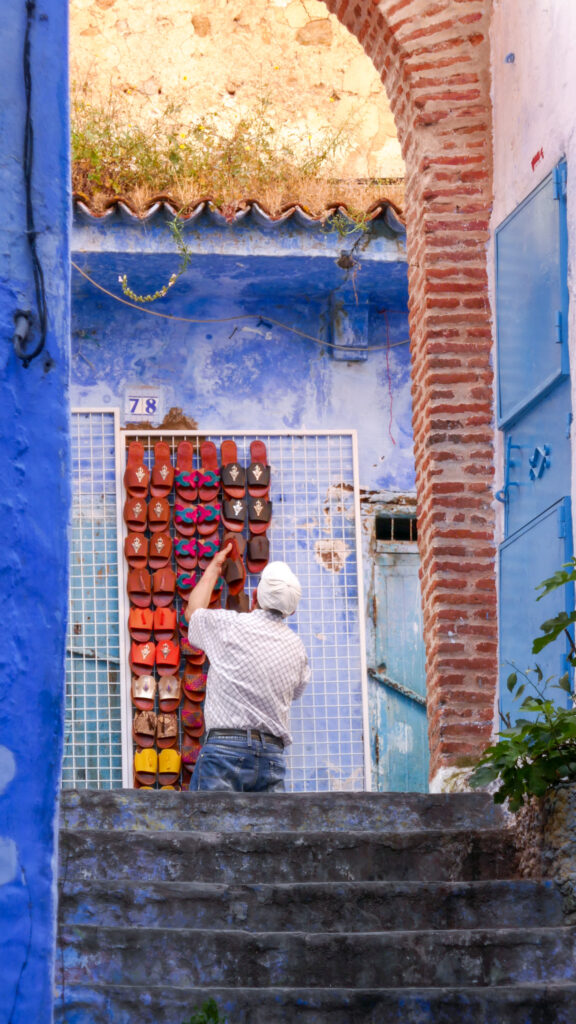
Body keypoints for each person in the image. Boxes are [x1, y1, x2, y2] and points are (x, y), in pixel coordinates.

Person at [184, 545, 310, 792]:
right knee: (268, 821)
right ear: (292, 610)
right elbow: (296, 693)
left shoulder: (228, 626)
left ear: (254, 597)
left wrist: (214, 568)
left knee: (209, 819)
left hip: (224, 753)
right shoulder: (298, 649)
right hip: (271, 757)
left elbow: (193, 612)